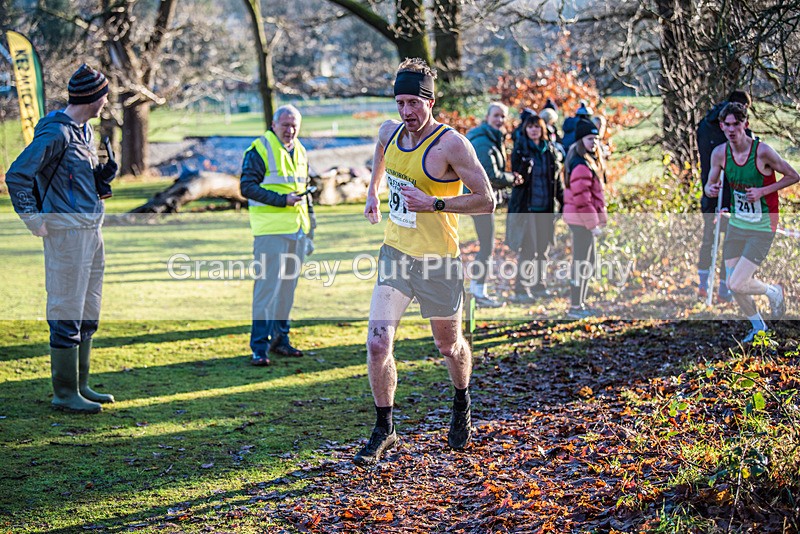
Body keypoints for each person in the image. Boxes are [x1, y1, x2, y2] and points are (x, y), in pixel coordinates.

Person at [357, 58, 495, 465]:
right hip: (396, 254)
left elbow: (488, 200)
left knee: (448, 346)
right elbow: (382, 155)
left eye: (413, 103)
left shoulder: (451, 144)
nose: (405, 112)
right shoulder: (389, 131)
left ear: (430, 101)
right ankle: (385, 428)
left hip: (439, 262)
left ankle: (461, 399)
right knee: (378, 341)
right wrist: (372, 192)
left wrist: (435, 203)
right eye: (399, 102)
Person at [6, 63, 117, 413]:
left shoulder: (83, 131)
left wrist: (102, 178)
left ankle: (81, 385)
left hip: (91, 232)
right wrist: (33, 220)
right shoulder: (57, 133)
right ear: (92, 98)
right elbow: (18, 175)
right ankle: (65, 393)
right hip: (66, 235)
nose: (107, 101)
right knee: (66, 308)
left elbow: (73, 181)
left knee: (88, 309)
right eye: (105, 96)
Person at [705, 102, 799, 342]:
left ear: (745, 124)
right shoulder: (719, 154)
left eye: (736, 124)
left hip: (762, 225)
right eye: (726, 125)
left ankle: (774, 292)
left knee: (736, 283)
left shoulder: (762, 152)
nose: (731, 129)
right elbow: (708, 186)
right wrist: (711, 189)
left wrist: (763, 190)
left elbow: (793, 176)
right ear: (721, 126)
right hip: (737, 224)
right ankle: (759, 328)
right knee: (734, 283)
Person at [240, 104, 313, 366]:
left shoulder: (301, 151)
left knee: (287, 291)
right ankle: (259, 347)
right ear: (274, 124)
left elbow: (305, 193)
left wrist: (310, 229)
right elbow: (246, 187)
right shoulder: (259, 149)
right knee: (267, 291)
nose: (290, 130)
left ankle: (281, 340)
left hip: (297, 232)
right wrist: (282, 200)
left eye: (294, 125)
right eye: (285, 125)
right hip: (270, 233)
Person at [696, 90, 752, 301]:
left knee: (709, 237)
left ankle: (705, 285)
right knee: (730, 240)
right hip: (728, 192)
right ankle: (723, 289)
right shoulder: (731, 128)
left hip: (709, 188)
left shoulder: (705, 123)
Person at [507, 113, 564, 302]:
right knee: (528, 250)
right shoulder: (520, 150)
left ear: (543, 129)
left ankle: (540, 285)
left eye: (537, 127)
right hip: (528, 208)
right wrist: (524, 166)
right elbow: (518, 179)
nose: (534, 130)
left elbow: (557, 180)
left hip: (546, 208)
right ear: (525, 129)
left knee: (543, 250)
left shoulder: (550, 151)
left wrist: (562, 202)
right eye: (530, 127)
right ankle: (521, 288)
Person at [465, 102, 514, 308]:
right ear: (487, 117)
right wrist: (512, 178)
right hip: (479, 199)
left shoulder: (492, 138)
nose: (500, 120)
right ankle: (478, 292)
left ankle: (478, 290)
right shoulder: (485, 142)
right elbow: (490, 175)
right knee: (487, 246)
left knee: (487, 245)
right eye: (496, 115)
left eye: (503, 116)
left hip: (480, 199)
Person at [563, 118, 607, 319]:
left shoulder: (588, 160)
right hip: (581, 221)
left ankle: (580, 304)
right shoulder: (580, 164)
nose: (594, 143)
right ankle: (575, 307)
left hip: (583, 221)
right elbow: (582, 199)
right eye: (590, 139)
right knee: (582, 263)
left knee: (587, 262)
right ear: (581, 140)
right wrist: (593, 224)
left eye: (596, 139)